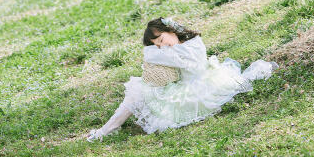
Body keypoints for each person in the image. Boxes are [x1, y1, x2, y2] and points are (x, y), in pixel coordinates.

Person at [86, 16, 278, 140]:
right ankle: (106, 130)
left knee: (139, 92)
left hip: (197, 89)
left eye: (162, 40)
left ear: (172, 30)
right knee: (138, 89)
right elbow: (150, 54)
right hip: (179, 86)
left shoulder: (193, 45)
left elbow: (154, 56)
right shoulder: (170, 49)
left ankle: (105, 131)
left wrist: (158, 51)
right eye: (158, 44)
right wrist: (158, 49)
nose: (162, 46)